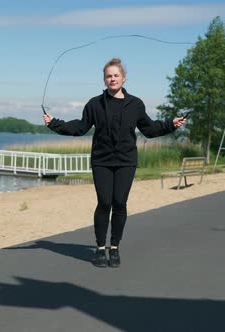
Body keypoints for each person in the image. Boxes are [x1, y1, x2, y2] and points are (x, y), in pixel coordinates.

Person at [43, 58, 186, 268]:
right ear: (104, 79)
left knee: (120, 203)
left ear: (123, 78)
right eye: (108, 76)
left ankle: (115, 247)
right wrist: (55, 124)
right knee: (104, 203)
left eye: (116, 75)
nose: (112, 79)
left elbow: (150, 129)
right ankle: (100, 249)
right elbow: (80, 127)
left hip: (126, 160)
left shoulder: (135, 104)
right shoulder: (95, 104)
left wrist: (170, 125)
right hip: (101, 160)